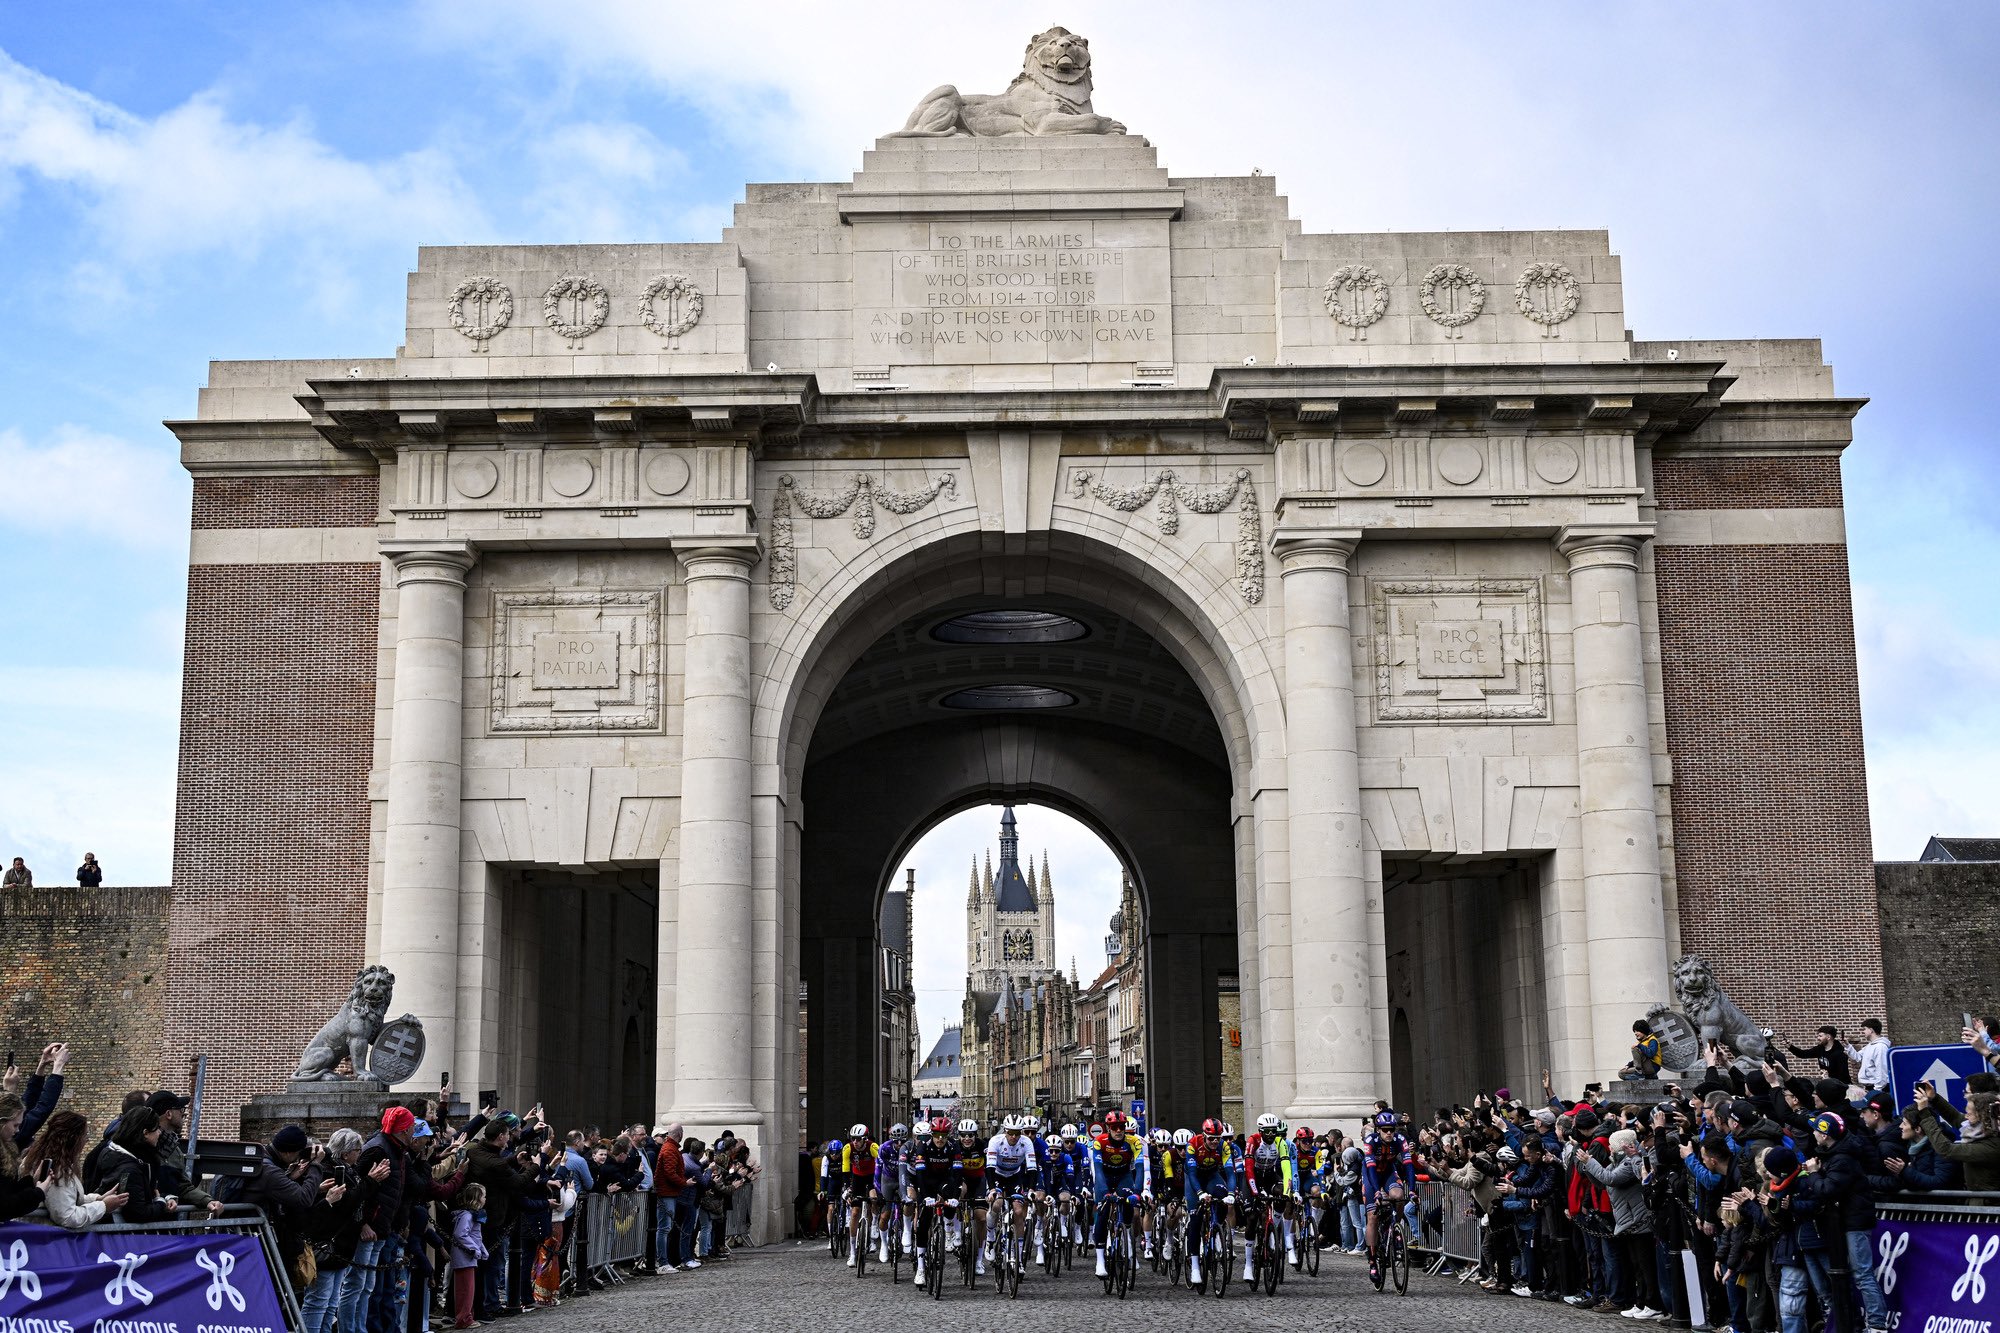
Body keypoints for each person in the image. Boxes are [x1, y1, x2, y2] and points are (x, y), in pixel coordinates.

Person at [21, 1111, 128, 1228]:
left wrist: (98, 1198)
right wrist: (103, 1206)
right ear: (74, 1139)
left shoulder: (47, 1159)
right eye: (85, 1135)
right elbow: (67, 1216)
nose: (86, 1140)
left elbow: (66, 1198)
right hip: (47, 1239)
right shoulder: (57, 1171)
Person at [89, 1104, 175, 1222]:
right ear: (145, 1133)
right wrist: (160, 1203)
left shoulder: (110, 1153)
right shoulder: (130, 1168)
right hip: (122, 1234)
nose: (159, 1133)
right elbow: (138, 1213)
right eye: (156, 1129)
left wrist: (164, 1197)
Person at [1912, 1084, 2000, 1189]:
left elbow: (1946, 1149)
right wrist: (1934, 1098)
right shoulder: (1981, 1129)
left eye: (1969, 1114)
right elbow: (1955, 1117)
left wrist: (1924, 1113)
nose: (1966, 1116)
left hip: (1988, 1202)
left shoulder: (1993, 1145)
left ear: (1982, 1116)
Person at [450, 1183, 489, 1329]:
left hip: (468, 1258)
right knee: (465, 1290)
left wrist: (482, 1250)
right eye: (484, 1196)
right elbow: (461, 1234)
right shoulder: (467, 1215)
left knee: (468, 1289)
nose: (485, 1199)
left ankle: (467, 1315)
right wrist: (475, 1249)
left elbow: (475, 1236)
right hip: (465, 1258)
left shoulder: (471, 1215)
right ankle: (463, 1318)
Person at [1845, 1021, 1891, 1092]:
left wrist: (1877, 1090)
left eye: (1864, 1029)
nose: (1863, 1032)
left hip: (1878, 1088)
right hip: (1871, 1087)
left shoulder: (1880, 1047)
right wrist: (1847, 1045)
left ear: (1871, 1030)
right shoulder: (1870, 1046)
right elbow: (1858, 1057)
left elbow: (1882, 1070)